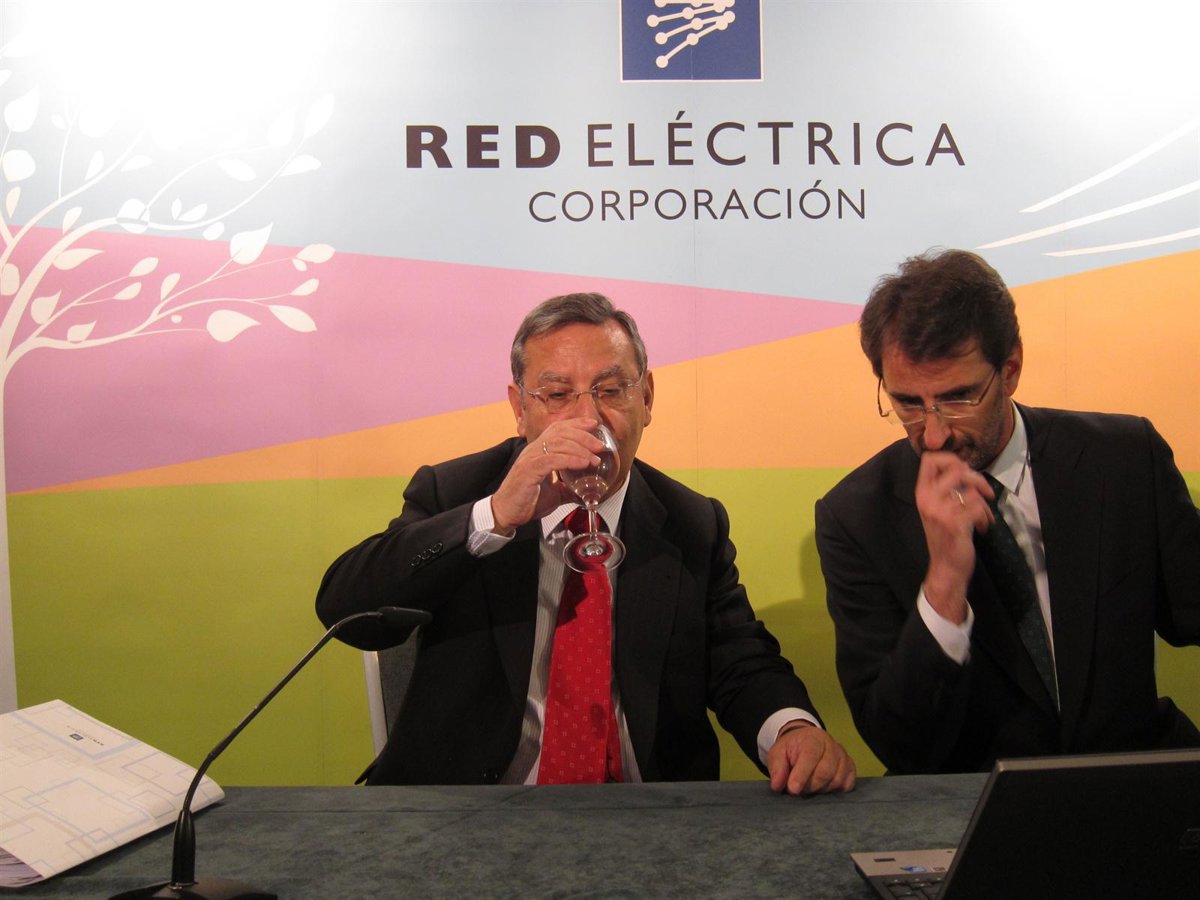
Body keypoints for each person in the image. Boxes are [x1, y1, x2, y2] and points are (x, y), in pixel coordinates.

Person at [317, 292, 856, 793]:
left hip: (644, 815)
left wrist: (791, 728)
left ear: (647, 398)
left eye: (611, 391)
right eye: (557, 395)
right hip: (470, 813)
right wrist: (493, 518)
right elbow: (348, 611)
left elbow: (739, 661)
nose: (588, 418)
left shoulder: (691, 523)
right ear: (520, 408)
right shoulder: (457, 492)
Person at [815, 248, 1200, 774]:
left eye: (958, 398)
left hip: (1134, 784)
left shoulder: (1124, 457)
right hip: (970, 806)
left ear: (1010, 369)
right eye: (908, 403)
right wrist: (944, 584)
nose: (934, 434)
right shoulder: (856, 517)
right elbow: (898, 743)